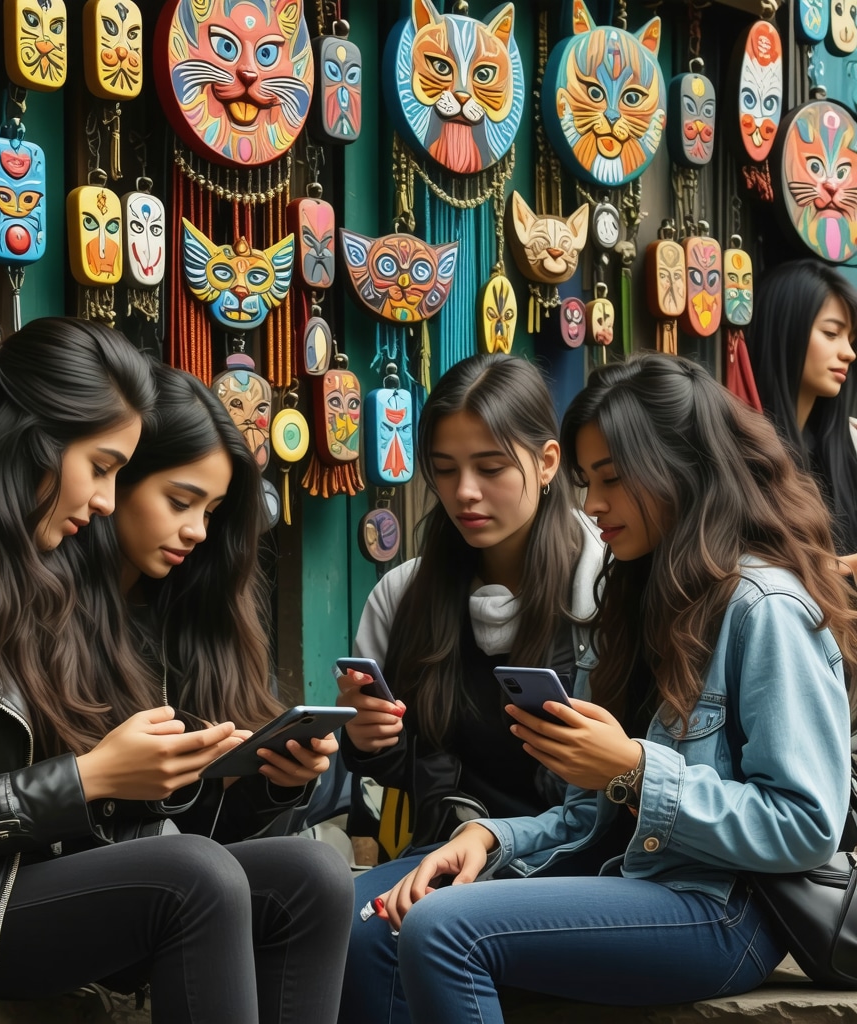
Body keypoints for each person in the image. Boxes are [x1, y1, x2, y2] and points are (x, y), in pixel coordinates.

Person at [0, 318, 353, 1024]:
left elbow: (88, 819)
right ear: (31, 440)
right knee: (190, 878)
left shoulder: (33, 576)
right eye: (102, 467)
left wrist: (237, 779)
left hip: (25, 875)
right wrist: (89, 776)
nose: (106, 500)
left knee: (314, 875)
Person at [339, 352, 855, 1024]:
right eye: (588, 482)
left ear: (683, 470)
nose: (594, 505)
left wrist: (636, 769)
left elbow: (807, 826)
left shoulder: (764, 606)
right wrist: (492, 839)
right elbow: (587, 818)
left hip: (728, 909)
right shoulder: (636, 597)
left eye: (612, 479)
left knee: (444, 929)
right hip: (635, 879)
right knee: (375, 927)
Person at [336, 353, 605, 1021]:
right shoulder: (404, 597)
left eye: (489, 468)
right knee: (345, 921)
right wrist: (366, 741)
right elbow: (410, 768)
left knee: (400, 930)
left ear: (546, 464)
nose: (464, 494)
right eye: (446, 470)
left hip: (582, 855)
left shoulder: (605, 591)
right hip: (452, 850)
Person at [91, 363, 339, 842]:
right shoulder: (55, 613)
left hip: (188, 880)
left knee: (317, 864)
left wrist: (275, 781)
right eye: (180, 502)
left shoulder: (194, 609)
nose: (198, 531)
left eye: (211, 512)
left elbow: (209, 834)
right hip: (91, 879)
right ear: (116, 477)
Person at [748, 259, 857, 572]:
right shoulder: (740, 454)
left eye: (850, 339)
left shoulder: (846, 443)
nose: (849, 352)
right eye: (832, 333)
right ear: (785, 331)